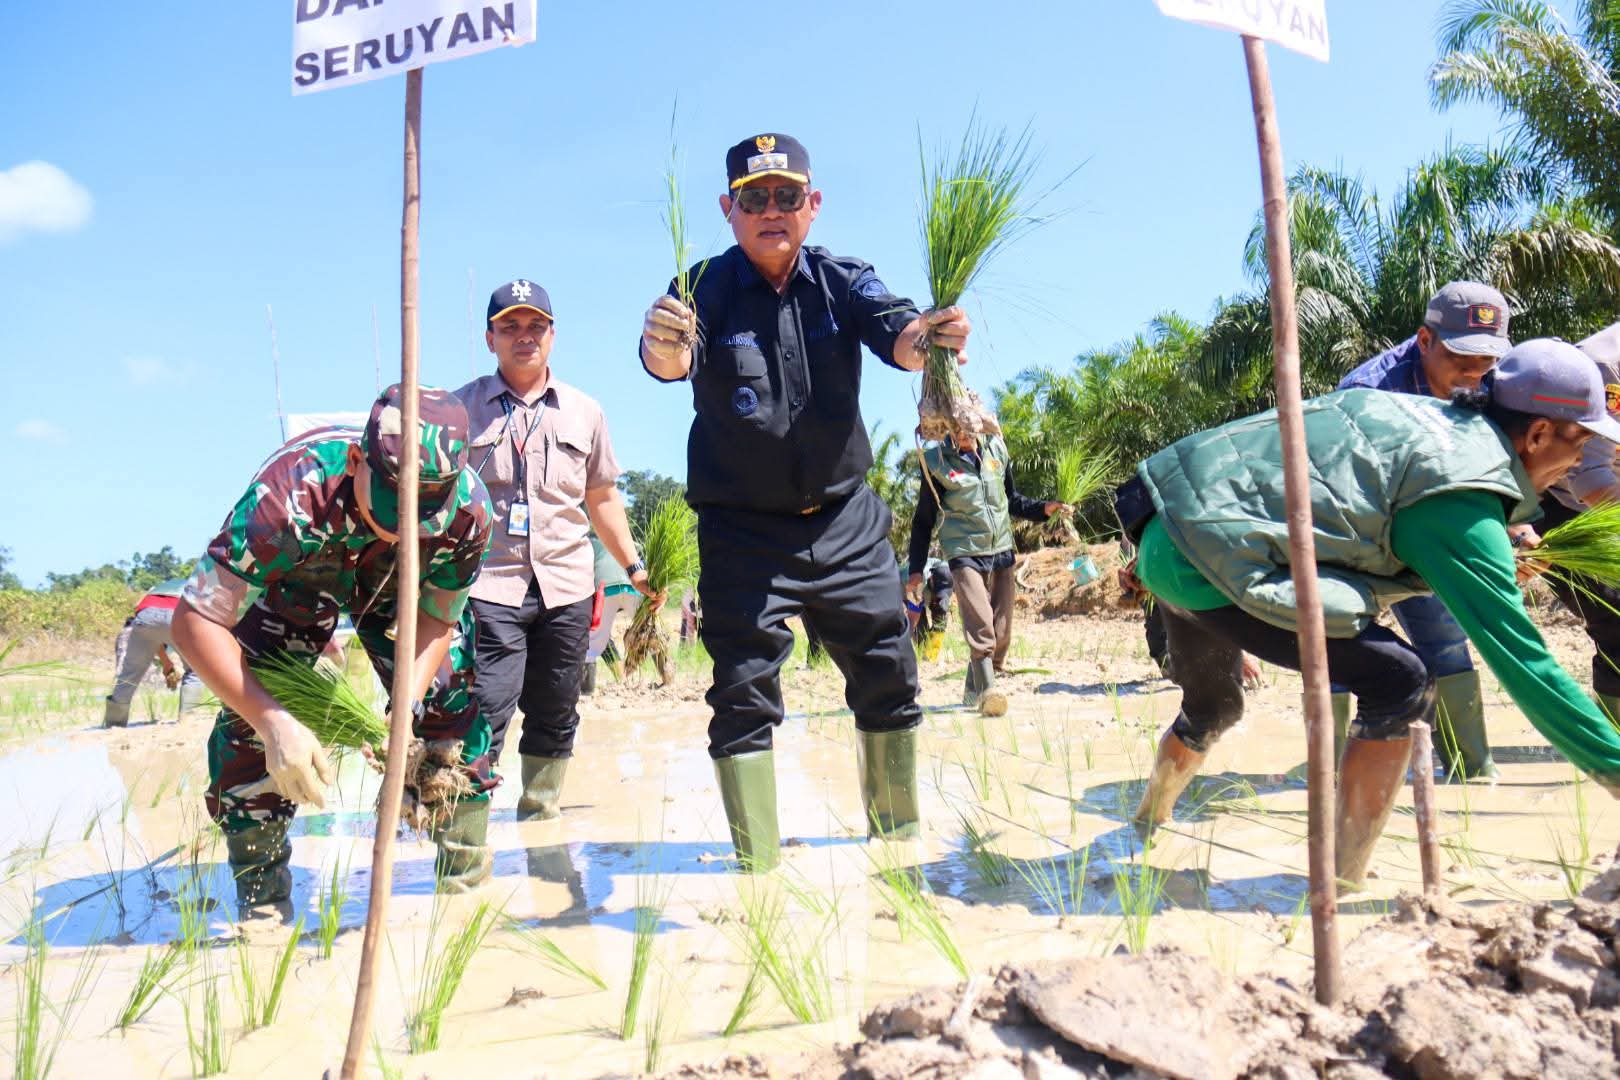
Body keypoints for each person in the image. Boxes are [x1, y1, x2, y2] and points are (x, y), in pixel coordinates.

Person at [1120, 340, 1620, 889]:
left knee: (1215, 705)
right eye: (1584, 441)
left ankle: (1147, 822)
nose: (1581, 461)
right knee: (1400, 680)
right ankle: (1340, 879)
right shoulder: (1460, 496)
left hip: (1169, 533)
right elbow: (1529, 667)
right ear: (1540, 432)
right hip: (1211, 563)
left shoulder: (1434, 423)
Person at [638, 132, 973, 871]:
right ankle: (756, 872)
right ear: (729, 209)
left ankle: (896, 851)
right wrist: (662, 345)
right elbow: (668, 361)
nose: (771, 211)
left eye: (786, 196)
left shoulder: (844, 281)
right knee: (742, 691)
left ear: (812, 205)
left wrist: (934, 341)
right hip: (742, 532)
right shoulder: (700, 290)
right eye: (753, 199)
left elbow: (901, 335)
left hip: (847, 518)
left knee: (890, 668)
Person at [172, 385, 497, 909]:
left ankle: (463, 890)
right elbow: (194, 621)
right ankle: (261, 900)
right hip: (294, 585)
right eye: (393, 514)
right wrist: (274, 722)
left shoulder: (467, 513)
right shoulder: (290, 496)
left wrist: (406, 710)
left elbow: (439, 616)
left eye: (422, 518)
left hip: (400, 593)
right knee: (252, 726)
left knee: (446, 701)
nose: (403, 532)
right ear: (355, 462)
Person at [457, 280, 652, 821]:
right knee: (485, 706)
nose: (525, 337)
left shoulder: (583, 412)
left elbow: (602, 498)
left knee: (557, 707)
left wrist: (635, 568)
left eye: (536, 326)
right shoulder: (458, 411)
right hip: (488, 586)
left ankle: (538, 817)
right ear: (489, 337)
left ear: (553, 334)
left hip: (566, 585)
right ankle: (466, 835)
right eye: (510, 327)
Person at [1334, 281, 1512, 778]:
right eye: (1463, 359)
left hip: (1432, 531)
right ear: (1425, 341)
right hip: (1356, 537)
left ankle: (1473, 772)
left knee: (1446, 644)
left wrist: (1512, 528)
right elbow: (1346, 489)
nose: (1476, 375)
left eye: (1488, 361)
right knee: (1336, 646)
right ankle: (1327, 780)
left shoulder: (1495, 383)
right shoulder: (1368, 394)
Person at [906, 431, 1066, 715]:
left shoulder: (997, 451)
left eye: (969, 429)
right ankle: (988, 692)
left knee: (1001, 633)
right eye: (957, 429)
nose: (964, 435)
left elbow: (1012, 500)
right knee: (981, 624)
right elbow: (923, 521)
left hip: (1001, 549)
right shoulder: (937, 462)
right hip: (963, 551)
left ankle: (972, 691)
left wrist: (1043, 509)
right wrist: (916, 572)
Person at [1519, 321, 1620, 721]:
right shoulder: (1604, 367)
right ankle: (1612, 753)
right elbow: (1590, 479)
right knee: (1616, 616)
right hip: (1557, 503)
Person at [103, 578, 206, 727]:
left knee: (129, 674)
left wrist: (166, 662)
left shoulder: (161, 587)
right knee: (195, 670)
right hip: (178, 614)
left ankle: (114, 723)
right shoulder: (199, 586)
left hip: (145, 616)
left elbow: (154, 635)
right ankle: (187, 720)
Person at [581, 533, 641, 694]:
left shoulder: (592, 544)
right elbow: (639, 550)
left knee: (594, 642)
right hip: (631, 587)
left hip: (605, 589)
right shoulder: (630, 542)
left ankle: (586, 690)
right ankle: (666, 678)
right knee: (650, 631)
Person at [906, 557, 954, 663]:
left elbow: (943, 611)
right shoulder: (917, 581)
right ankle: (922, 655)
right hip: (911, 590)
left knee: (940, 619)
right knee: (920, 629)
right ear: (931, 579)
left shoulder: (950, 571)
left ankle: (931, 656)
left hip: (929, 588)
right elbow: (913, 618)